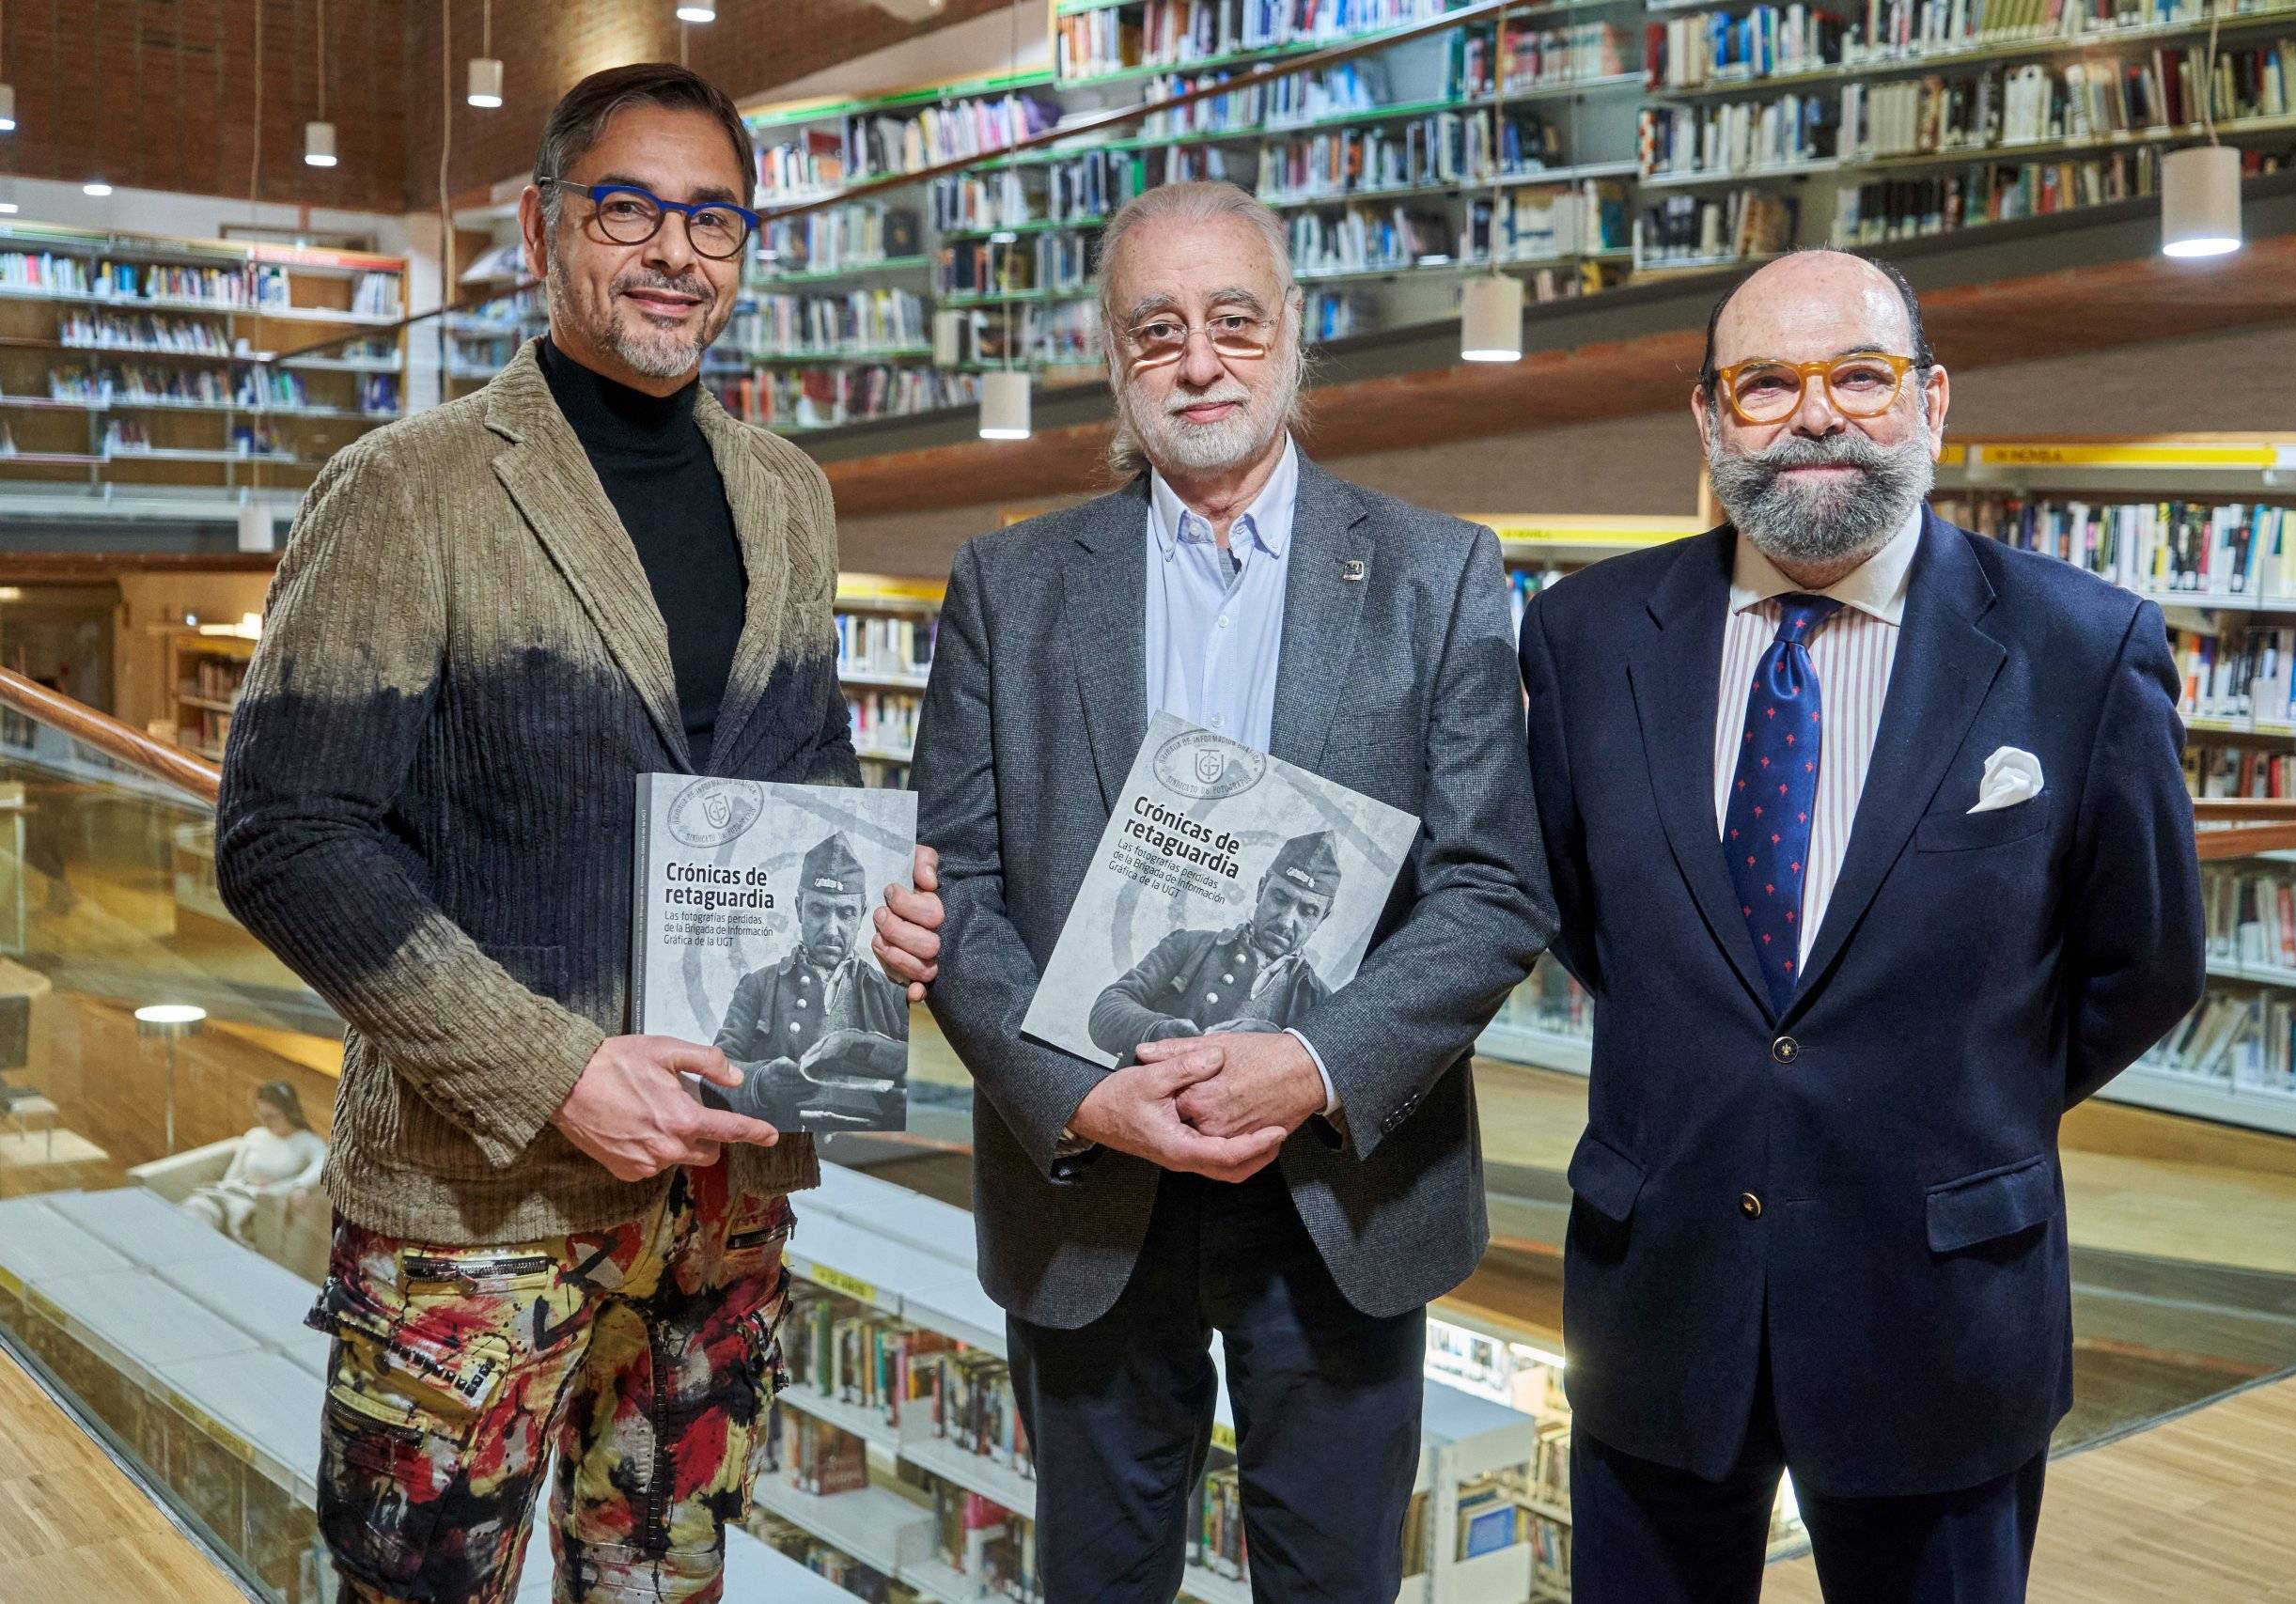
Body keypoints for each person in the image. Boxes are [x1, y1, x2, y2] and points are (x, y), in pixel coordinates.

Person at [214, 62, 907, 1604]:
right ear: (540, 230)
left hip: (725, 1198)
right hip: (477, 1206)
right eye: (629, 207)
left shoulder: (788, 495)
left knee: (665, 1573)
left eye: (713, 217)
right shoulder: (408, 490)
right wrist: (556, 1071)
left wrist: (868, 906)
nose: (676, 249)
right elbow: (284, 831)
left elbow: (804, 776)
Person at [878, 179, 1553, 1604]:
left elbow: (1493, 889)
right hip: (1092, 1187)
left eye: (1234, 321)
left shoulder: (1438, 575)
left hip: (1345, 1184)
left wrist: (1311, 1064)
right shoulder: (1007, 583)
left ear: (1293, 337)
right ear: (1115, 361)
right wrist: (1076, 1088)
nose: (1200, 360)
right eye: (1157, 328)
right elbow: (960, 886)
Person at [1518, 251, 2206, 1603]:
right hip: (1660, 1301)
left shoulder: (2083, 647)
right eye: (1765, 382)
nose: (1816, 413)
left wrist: (1958, 1088)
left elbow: (2147, 960)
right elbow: (1588, 921)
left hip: (1941, 1313)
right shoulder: (1585, 638)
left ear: (1933, 401)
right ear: (1708, 419)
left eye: (1861, 375)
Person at [1086, 829, 1340, 1063]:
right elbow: (1108, 1007)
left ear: (1321, 920)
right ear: (1261, 890)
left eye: (1308, 910)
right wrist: (1157, 1030)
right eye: (1280, 898)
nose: (1286, 921)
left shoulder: (1322, 1001)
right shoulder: (1189, 945)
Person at [713, 833, 910, 1127]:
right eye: (818, 910)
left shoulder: (894, 995)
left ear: (861, 916)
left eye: (845, 913)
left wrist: (907, 1100)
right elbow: (713, 1073)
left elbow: (923, 1085)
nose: (832, 929)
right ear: (799, 909)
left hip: (866, 1152)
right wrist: (761, 1083)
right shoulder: (759, 985)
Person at [178, 1080, 326, 1242]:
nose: (266, 1122)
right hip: (233, 1192)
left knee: (210, 1222)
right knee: (196, 1208)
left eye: (271, 1116)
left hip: (254, 1203)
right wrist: (223, 1191)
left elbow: (323, 1163)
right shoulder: (255, 1135)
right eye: (262, 1115)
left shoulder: (307, 1141)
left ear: (289, 1112)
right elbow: (233, 1174)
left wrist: (301, 1185)